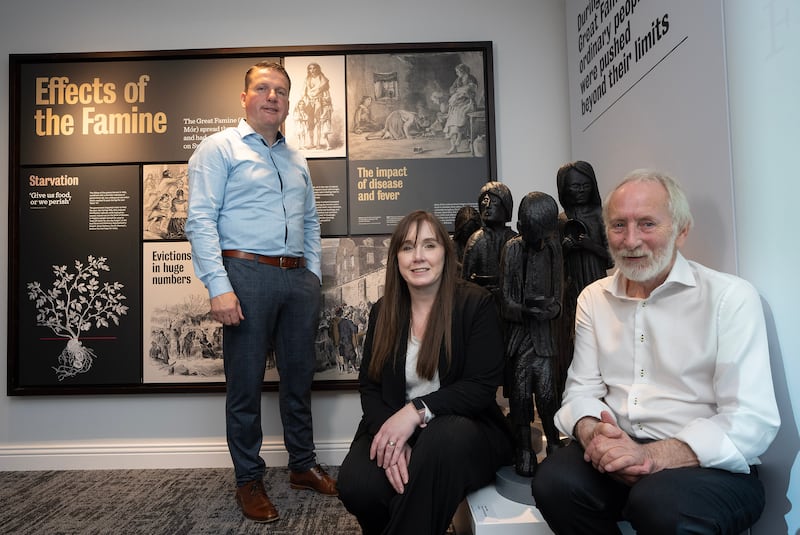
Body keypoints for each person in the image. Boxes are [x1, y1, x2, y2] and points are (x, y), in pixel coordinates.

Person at [531, 169, 780, 534]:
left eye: (647, 224)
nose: (631, 240)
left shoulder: (730, 298)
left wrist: (651, 457)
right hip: (620, 451)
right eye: (618, 225)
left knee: (658, 502)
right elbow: (580, 392)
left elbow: (752, 421)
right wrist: (595, 438)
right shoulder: (593, 298)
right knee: (554, 481)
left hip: (706, 467)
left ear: (681, 230)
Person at [186, 61, 336, 524]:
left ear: (289, 102)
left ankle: (302, 465)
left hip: (296, 279)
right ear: (244, 98)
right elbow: (200, 221)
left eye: (281, 91)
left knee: (298, 378)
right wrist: (219, 287)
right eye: (263, 89)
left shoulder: (296, 158)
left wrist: (310, 275)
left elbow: (310, 221)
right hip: (244, 275)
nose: (273, 97)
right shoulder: (218, 149)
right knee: (245, 385)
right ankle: (248, 479)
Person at [337, 211, 513, 535]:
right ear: (396, 259)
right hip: (394, 422)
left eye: (429, 245)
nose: (418, 257)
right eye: (407, 247)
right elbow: (370, 386)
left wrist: (415, 412)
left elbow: (480, 387)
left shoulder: (475, 304)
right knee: (357, 484)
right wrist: (393, 436)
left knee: (442, 441)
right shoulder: (382, 310)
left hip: (464, 431)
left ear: (446, 253)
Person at [499, 192, 563, 476]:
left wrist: (553, 309)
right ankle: (524, 449)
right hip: (520, 337)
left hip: (544, 338)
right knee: (522, 397)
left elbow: (559, 293)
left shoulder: (553, 248)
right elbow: (505, 302)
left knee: (548, 395)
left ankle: (555, 446)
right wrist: (526, 311)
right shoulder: (512, 249)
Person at [555, 161, 613, 403]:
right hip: (570, 284)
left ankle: (604, 390)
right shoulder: (560, 219)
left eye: (584, 186)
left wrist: (590, 245)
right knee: (572, 336)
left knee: (601, 333)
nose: (578, 191)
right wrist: (565, 249)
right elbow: (553, 260)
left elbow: (611, 258)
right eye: (573, 186)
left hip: (595, 277)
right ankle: (574, 392)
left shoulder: (600, 215)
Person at [461, 181, 517, 298]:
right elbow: (465, 281)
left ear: (505, 206)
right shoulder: (476, 240)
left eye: (494, 200)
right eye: (485, 200)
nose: (488, 205)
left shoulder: (514, 240)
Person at [443, 63, 478, 154]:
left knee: (460, 114)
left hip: (468, 103)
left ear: (463, 71)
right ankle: (453, 146)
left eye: (458, 71)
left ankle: (457, 140)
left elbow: (471, 91)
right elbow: (451, 90)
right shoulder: (458, 80)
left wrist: (461, 91)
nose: (457, 73)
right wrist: (460, 91)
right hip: (458, 103)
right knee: (451, 118)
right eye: (456, 72)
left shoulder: (471, 79)